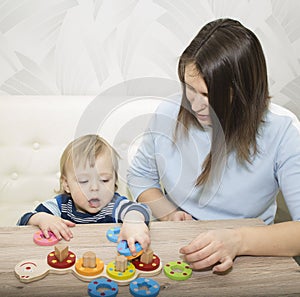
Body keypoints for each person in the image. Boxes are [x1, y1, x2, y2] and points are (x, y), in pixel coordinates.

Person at [127, 18, 300, 272]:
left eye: (208, 95)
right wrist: (169, 213)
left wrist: (237, 240)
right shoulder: (168, 113)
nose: (194, 104)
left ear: (243, 91)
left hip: (252, 253)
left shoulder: (282, 129)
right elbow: (141, 176)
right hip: (179, 246)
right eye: (189, 88)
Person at [18, 134, 151, 254]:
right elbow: (23, 221)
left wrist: (134, 222)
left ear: (115, 181)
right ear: (66, 184)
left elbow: (140, 209)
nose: (94, 188)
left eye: (104, 180)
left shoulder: (115, 206)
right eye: (83, 181)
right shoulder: (60, 206)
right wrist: (42, 218)